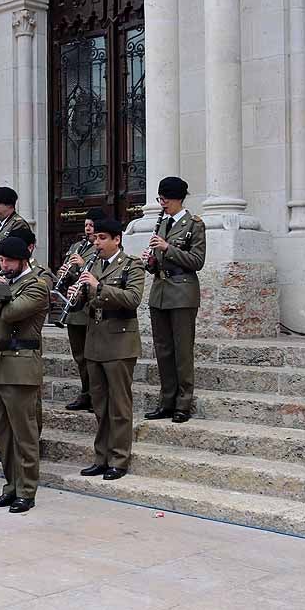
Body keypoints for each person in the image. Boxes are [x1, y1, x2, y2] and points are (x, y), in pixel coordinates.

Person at [0, 236, 51, 513]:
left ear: (22, 260)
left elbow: (11, 314)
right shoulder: (5, 285)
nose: (3, 265)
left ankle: (27, 490)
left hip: (21, 366)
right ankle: (11, 486)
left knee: (24, 433)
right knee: (3, 433)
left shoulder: (36, 286)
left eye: (8, 261)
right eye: (2, 261)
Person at [67, 218, 145, 480]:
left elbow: (133, 299)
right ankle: (101, 457)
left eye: (102, 238)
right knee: (100, 404)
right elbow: (87, 305)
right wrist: (75, 297)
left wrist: (99, 286)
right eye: (95, 238)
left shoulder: (131, 265)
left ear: (116, 240)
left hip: (120, 342)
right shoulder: (93, 265)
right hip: (95, 341)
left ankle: (119, 459)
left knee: (119, 405)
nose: (96, 242)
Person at [142, 177, 206, 424]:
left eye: (165, 199)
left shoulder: (194, 224)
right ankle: (166, 401)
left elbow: (197, 261)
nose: (162, 204)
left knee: (182, 351)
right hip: (160, 291)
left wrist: (168, 248)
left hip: (182, 292)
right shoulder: (163, 223)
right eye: (160, 199)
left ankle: (183, 403)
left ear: (178, 198)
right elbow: (158, 261)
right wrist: (150, 261)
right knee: (163, 350)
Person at [56, 208, 106, 412]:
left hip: (90, 306)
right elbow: (71, 275)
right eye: (86, 225)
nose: (87, 228)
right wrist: (64, 273)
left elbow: (98, 275)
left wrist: (81, 265)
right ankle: (86, 393)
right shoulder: (77, 246)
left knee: (92, 356)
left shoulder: (101, 247)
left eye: (91, 225)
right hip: (74, 308)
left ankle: (97, 395)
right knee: (79, 356)